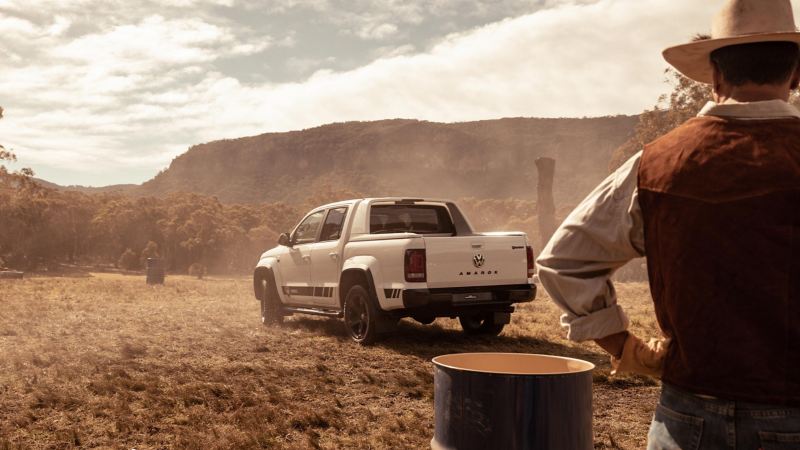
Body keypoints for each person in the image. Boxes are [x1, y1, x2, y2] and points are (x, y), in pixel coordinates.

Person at [536, 0, 800, 448]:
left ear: (716, 76)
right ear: (795, 75)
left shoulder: (658, 162)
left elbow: (563, 261)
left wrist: (624, 347)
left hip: (686, 417)